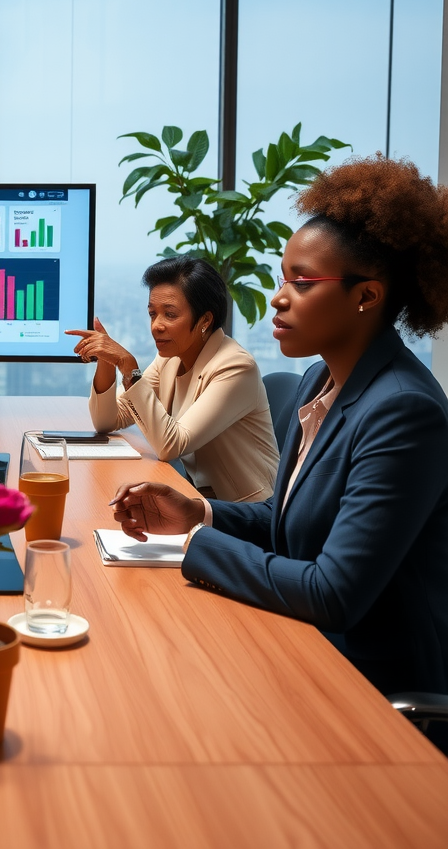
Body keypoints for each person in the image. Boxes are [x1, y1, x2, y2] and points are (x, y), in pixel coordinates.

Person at [111, 156, 448, 710]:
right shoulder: (321, 381)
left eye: (303, 282)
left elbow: (333, 593)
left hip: (366, 685)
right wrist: (198, 514)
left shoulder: (403, 411)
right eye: (283, 277)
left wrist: (198, 545)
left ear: (366, 297)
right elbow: (286, 523)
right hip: (299, 641)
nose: (278, 297)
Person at [66, 256, 279, 502]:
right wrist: (106, 360)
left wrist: (128, 365)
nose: (156, 325)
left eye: (170, 314)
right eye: (152, 314)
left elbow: (171, 445)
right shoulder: (170, 358)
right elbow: (108, 420)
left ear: (205, 320)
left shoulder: (236, 366)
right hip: (197, 499)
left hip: (248, 510)